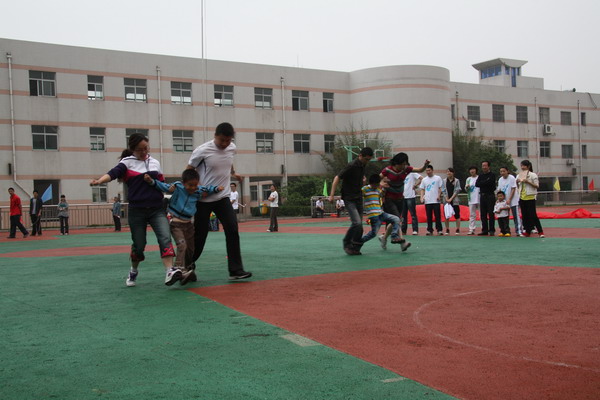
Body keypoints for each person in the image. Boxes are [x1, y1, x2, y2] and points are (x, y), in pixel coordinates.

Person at [90, 133, 179, 287]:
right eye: (139, 150)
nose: (144, 152)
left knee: (165, 237)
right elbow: (112, 174)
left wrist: (169, 189)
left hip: (157, 209)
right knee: (139, 244)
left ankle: (169, 271)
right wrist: (99, 181)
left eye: (146, 148)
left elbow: (161, 183)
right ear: (132, 149)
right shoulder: (127, 163)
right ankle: (133, 270)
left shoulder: (155, 163)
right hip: (137, 210)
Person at [187, 122, 252, 280]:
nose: (224, 144)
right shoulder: (202, 150)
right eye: (222, 140)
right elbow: (188, 170)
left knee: (232, 230)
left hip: (223, 197)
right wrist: (196, 188)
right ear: (215, 136)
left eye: (228, 141)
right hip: (203, 199)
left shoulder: (232, 148)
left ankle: (235, 270)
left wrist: (234, 173)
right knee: (200, 235)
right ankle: (186, 265)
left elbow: (228, 160)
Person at [144, 169, 223, 285]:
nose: (192, 188)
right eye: (190, 185)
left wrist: (216, 189)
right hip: (175, 222)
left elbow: (208, 189)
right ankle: (178, 269)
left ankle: (188, 268)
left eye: (195, 185)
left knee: (191, 248)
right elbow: (163, 186)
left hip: (188, 224)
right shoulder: (178, 187)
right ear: (183, 183)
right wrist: (151, 181)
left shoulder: (198, 190)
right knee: (182, 245)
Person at [329, 147, 374, 255]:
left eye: (369, 160)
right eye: (366, 159)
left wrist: (362, 182)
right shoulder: (352, 165)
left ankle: (355, 247)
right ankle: (347, 242)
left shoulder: (362, 165)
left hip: (358, 197)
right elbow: (337, 178)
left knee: (359, 227)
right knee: (357, 223)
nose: (367, 162)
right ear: (360, 156)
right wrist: (331, 195)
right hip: (349, 198)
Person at [379, 153, 429, 246]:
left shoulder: (406, 169)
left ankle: (384, 238)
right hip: (389, 199)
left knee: (396, 220)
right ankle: (401, 241)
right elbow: (376, 179)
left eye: (405, 164)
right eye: (402, 164)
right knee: (397, 219)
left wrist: (425, 165)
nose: (403, 166)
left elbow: (420, 170)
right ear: (396, 163)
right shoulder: (387, 170)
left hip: (400, 198)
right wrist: (381, 184)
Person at [361, 174, 410, 251]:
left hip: (381, 213)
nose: (376, 186)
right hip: (373, 215)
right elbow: (358, 193)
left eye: (377, 185)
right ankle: (359, 241)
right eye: (375, 185)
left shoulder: (378, 190)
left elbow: (382, 194)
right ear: (371, 183)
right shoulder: (365, 189)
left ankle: (394, 236)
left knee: (396, 219)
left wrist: (384, 187)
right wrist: (363, 183)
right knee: (373, 233)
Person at [516, 160, 545, 238]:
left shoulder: (533, 175)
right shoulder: (519, 175)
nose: (522, 167)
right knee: (524, 215)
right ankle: (527, 231)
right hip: (522, 197)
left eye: (524, 166)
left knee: (533, 215)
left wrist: (527, 181)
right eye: (521, 166)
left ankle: (540, 232)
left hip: (530, 197)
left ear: (528, 166)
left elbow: (537, 186)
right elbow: (518, 186)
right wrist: (517, 182)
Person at [498, 167, 523, 237]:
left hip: (513, 200)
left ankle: (518, 231)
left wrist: (509, 199)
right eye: (501, 171)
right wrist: (499, 199)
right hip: (504, 201)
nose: (502, 173)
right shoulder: (500, 179)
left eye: (504, 171)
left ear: (507, 171)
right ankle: (506, 231)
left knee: (516, 216)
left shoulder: (511, 178)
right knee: (504, 216)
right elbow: (499, 190)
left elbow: (513, 189)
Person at [419, 165, 443, 236]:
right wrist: (421, 197)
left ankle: (439, 230)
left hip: (436, 200)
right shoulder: (424, 180)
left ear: (432, 170)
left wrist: (439, 195)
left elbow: (440, 188)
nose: (428, 172)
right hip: (428, 201)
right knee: (429, 216)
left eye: (429, 170)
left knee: (437, 216)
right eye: (426, 171)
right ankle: (429, 230)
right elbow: (422, 189)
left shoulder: (437, 178)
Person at [476, 160, 497, 236]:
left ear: (489, 167)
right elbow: (477, 184)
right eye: (483, 166)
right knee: (483, 214)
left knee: (491, 213)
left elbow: (491, 183)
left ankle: (491, 230)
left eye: (485, 166)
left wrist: (483, 183)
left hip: (490, 195)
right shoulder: (480, 175)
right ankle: (484, 230)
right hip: (482, 196)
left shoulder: (492, 175)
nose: (484, 167)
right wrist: (485, 182)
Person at [442, 167, 462, 235]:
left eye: (450, 171)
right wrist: (446, 198)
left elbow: (457, 190)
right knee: (446, 215)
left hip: (454, 201)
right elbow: (443, 190)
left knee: (457, 215)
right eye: (447, 171)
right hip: (446, 201)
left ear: (453, 173)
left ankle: (458, 229)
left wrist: (451, 198)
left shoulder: (456, 181)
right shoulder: (444, 181)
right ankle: (447, 229)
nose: (449, 173)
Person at [402, 170, 422, 235]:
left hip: (411, 197)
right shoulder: (401, 174)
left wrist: (415, 185)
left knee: (413, 214)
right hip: (403, 197)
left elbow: (421, 178)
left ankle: (415, 230)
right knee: (403, 215)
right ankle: (403, 230)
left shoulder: (412, 173)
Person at [464, 166, 480, 235]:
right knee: (472, 215)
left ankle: (484, 228)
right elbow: (466, 189)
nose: (472, 171)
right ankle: (471, 229)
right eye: (470, 170)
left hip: (479, 198)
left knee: (482, 214)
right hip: (471, 199)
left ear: (476, 170)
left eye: (473, 169)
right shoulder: (468, 179)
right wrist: (467, 187)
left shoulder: (479, 177)